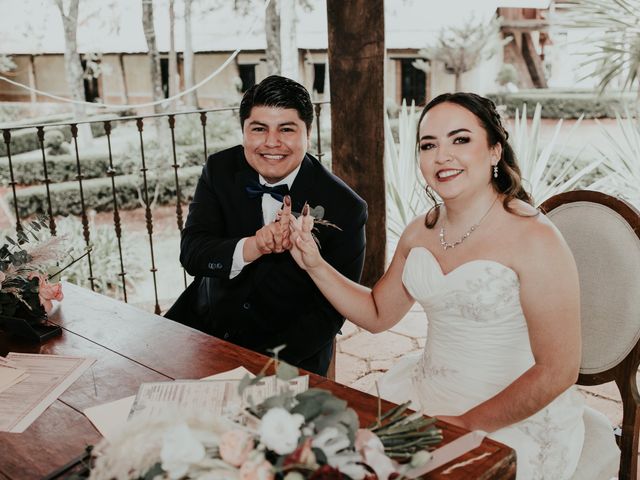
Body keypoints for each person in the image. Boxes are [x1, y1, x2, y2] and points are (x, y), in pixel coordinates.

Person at [287, 92, 619, 479]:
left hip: (509, 413)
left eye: (460, 139)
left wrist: (466, 423)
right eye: (429, 145)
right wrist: (314, 264)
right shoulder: (420, 231)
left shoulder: (536, 240)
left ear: (495, 150)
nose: (442, 156)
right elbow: (378, 314)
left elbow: (557, 371)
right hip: (424, 393)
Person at [165, 75, 367, 376]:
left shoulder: (346, 207)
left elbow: (329, 314)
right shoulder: (220, 169)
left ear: (308, 134)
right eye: (259, 129)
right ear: (244, 132)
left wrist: (262, 367)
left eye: (286, 129)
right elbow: (192, 253)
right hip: (201, 328)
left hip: (287, 356)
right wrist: (254, 245)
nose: (272, 143)